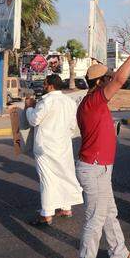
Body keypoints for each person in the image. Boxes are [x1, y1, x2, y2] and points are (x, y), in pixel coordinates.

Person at [73, 37, 130, 258]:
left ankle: (119, 253)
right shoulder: (93, 101)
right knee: (94, 219)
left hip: (100, 168)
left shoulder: (92, 102)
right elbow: (120, 80)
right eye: (107, 78)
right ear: (100, 82)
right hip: (93, 168)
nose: (111, 79)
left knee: (109, 213)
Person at [25, 75, 82, 226]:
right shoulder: (69, 102)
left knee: (48, 179)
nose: (43, 86)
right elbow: (72, 126)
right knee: (65, 175)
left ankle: (46, 214)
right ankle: (66, 208)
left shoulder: (46, 101)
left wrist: (29, 107)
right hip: (63, 145)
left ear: (50, 86)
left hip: (46, 147)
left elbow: (33, 120)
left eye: (44, 84)